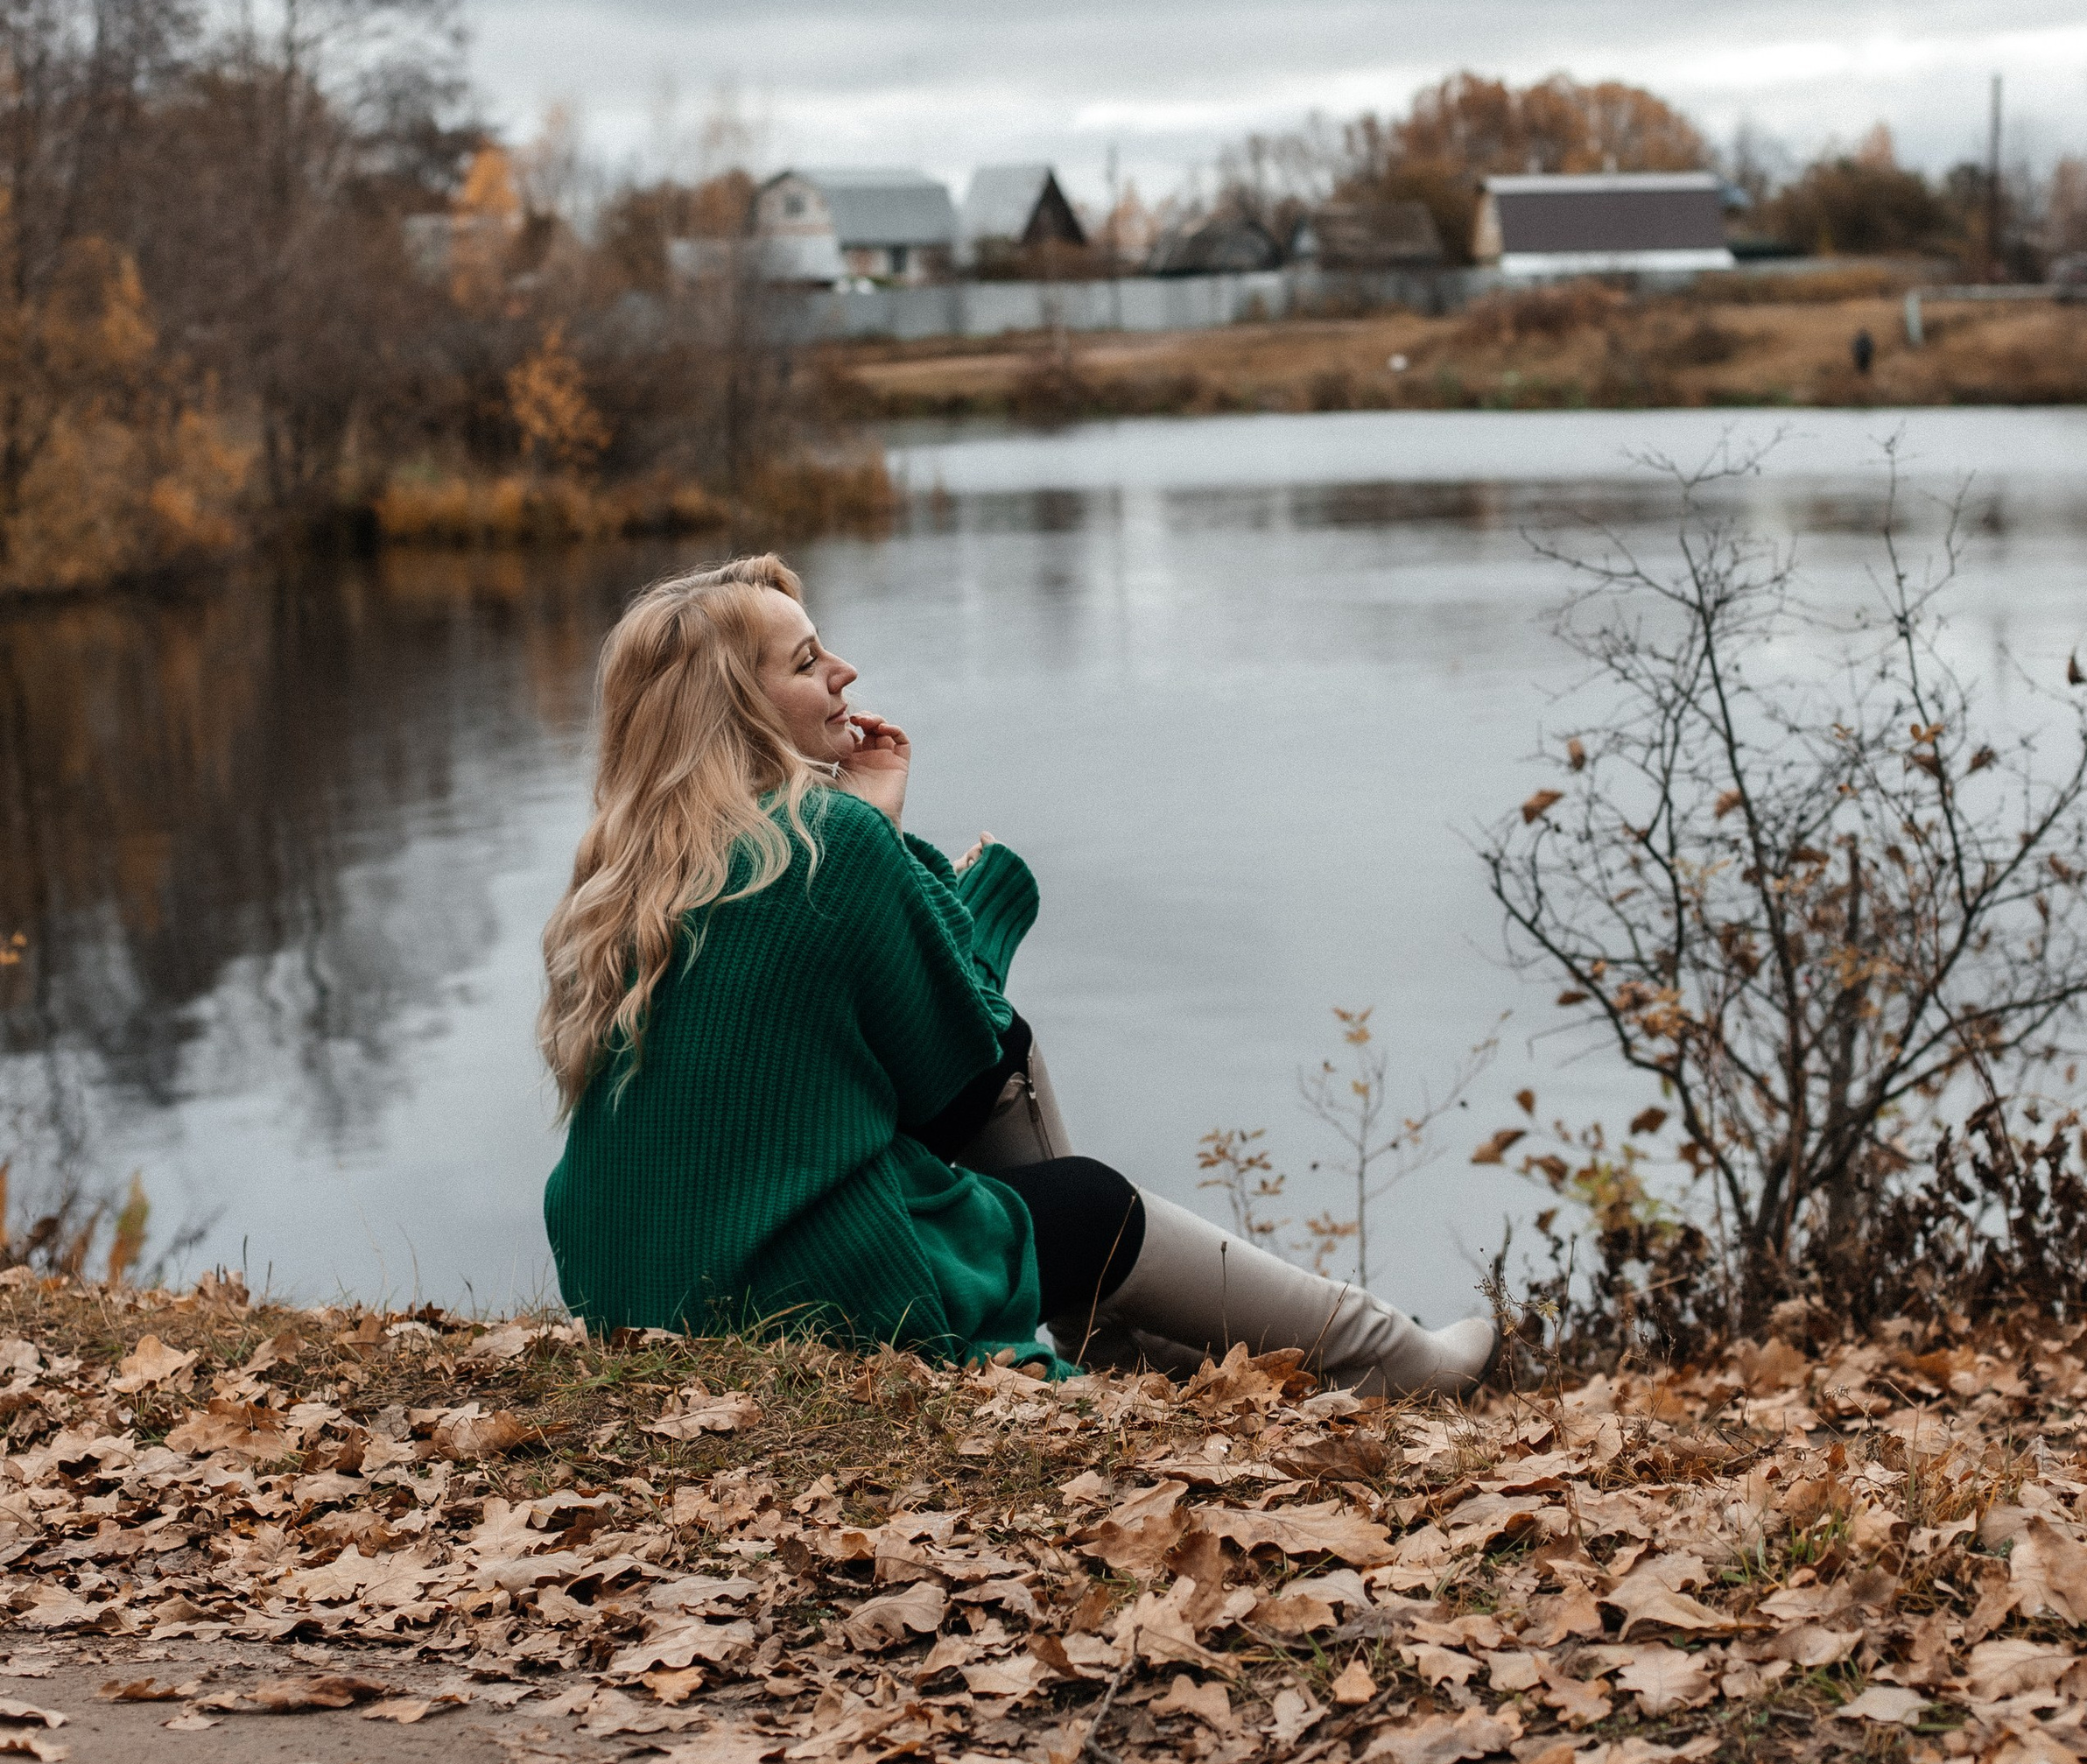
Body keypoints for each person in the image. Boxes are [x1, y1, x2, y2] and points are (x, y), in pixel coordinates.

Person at [538, 554, 1493, 1395]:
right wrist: (971, 892)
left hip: (632, 1284)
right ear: (736, 709)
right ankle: (1400, 1359)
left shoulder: (624, 867)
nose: (845, 672)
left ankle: (1139, 1348)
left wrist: (896, 853)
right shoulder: (827, 841)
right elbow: (963, 1076)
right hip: (801, 1284)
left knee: (1026, 1158)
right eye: (805, 662)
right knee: (1080, 1187)